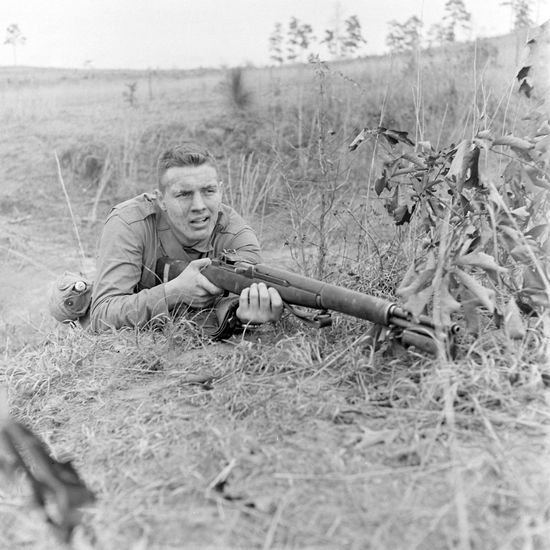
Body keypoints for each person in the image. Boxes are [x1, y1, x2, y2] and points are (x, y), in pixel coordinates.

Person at [88, 141, 283, 335]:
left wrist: (242, 314)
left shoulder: (236, 235)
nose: (199, 205)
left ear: (221, 192)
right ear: (161, 200)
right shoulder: (130, 222)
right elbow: (102, 315)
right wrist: (171, 293)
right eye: (184, 194)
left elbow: (241, 301)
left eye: (209, 191)